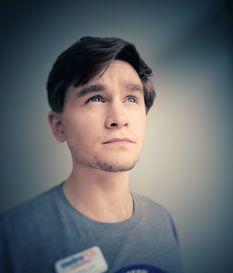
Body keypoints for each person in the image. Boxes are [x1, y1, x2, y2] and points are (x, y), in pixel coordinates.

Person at [0, 36, 183, 273]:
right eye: (95, 98)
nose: (119, 118)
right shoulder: (12, 237)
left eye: (131, 98)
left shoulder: (162, 222)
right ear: (58, 126)